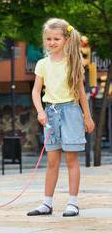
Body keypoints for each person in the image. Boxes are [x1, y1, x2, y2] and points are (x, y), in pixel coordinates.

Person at [27, 18, 95, 217]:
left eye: (56, 38)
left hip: (72, 112)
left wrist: (87, 117)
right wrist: (40, 111)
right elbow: (35, 91)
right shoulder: (42, 64)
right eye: (48, 39)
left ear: (66, 39)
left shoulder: (73, 63)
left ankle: (73, 202)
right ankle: (47, 203)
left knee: (72, 160)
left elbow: (81, 93)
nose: (51, 42)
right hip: (50, 113)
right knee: (52, 160)